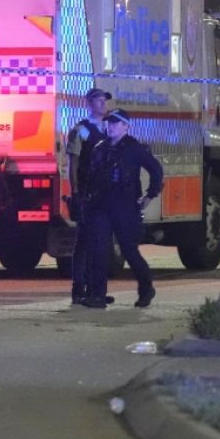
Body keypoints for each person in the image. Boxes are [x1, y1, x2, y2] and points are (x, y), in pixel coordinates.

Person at [80, 108, 163, 309]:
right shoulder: (100, 147)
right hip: (101, 206)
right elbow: (89, 176)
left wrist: (150, 195)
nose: (112, 126)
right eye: (109, 123)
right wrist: (86, 201)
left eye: (117, 123)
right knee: (99, 250)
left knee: (129, 250)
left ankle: (146, 288)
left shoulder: (134, 148)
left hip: (125, 207)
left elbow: (156, 170)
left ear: (126, 126)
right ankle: (98, 295)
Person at [65, 87, 112, 306]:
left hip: (103, 193)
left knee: (100, 241)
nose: (103, 104)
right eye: (99, 100)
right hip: (85, 192)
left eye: (105, 100)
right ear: (89, 104)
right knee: (84, 242)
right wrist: (75, 192)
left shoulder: (108, 129)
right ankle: (79, 288)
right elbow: (73, 163)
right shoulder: (81, 130)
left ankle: (95, 289)